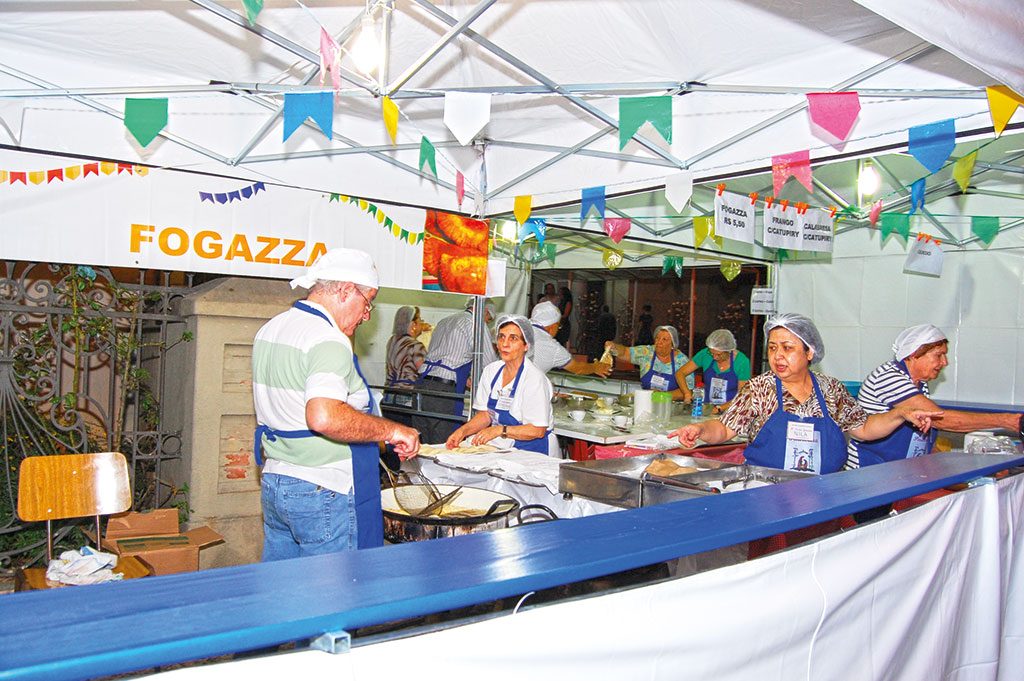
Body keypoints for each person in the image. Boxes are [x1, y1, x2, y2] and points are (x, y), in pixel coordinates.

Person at [252, 248, 420, 560]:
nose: (366, 314)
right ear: (345, 290)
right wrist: (394, 430)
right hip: (323, 489)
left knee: (281, 590)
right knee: (335, 594)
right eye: (367, 302)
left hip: (278, 480)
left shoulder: (271, 328)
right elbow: (324, 416)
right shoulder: (327, 339)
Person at [669, 313, 940, 475]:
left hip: (825, 492)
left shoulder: (830, 389)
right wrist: (701, 430)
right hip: (767, 493)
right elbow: (725, 429)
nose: (778, 356)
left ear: (809, 352)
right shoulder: (759, 388)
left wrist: (898, 414)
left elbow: (865, 428)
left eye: (788, 348)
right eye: (773, 348)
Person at [848, 324, 1024, 469]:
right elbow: (940, 419)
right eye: (938, 355)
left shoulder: (918, 382)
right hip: (872, 468)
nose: (945, 362)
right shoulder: (889, 377)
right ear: (914, 354)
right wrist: (1008, 420)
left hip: (898, 469)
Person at [446, 314, 558, 456]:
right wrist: (462, 432)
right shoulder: (491, 371)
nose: (505, 344)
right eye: (501, 337)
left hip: (533, 451)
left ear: (526, 346)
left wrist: (499, 430)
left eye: (513, 338)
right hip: (504, 447)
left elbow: (537, 430)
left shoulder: (534, 379)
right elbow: (486, 415)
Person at [413, 298, 497, 445]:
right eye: (488, 319)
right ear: (485, 311)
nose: (487, 322)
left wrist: (467, 378)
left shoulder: (445, 321)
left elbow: (447, 357)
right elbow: (489, 364)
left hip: (422, 384)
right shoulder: (476, 323)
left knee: (424, 443)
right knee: (444, 443)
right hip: (443, 391)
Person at [605, 325, 694, 401]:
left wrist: (664, 396)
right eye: (657, 338)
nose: (659, 342)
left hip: (671, 407)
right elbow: (625, 352)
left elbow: (689, 390)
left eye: (664, 339)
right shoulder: (647, 353)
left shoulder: (682, 361)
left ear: (673, 344)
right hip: (646, 403)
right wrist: (614, 347)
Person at [678, 329, 751, 414]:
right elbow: (680, 373)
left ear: (729, 351)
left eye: (719, 355)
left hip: (732, 410)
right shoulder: (705, 354)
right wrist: (687, 393)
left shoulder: (742, 362)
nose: (714, 357)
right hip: (708, 407)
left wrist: (720, 408)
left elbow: (742, 395)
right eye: (712, 353)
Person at [529, 301, 611, 377]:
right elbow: (578, 368)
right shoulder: (552, 347)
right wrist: (595, 367)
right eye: (559, 326)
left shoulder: (520, 328)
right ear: (553, 326)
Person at [385, 306, 429, 388]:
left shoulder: (392, 341)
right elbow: (424, 370)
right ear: (413, 325)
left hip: (389, 390)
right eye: (420, 320)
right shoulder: (415, 345)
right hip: (407, 391)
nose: (422, 323)